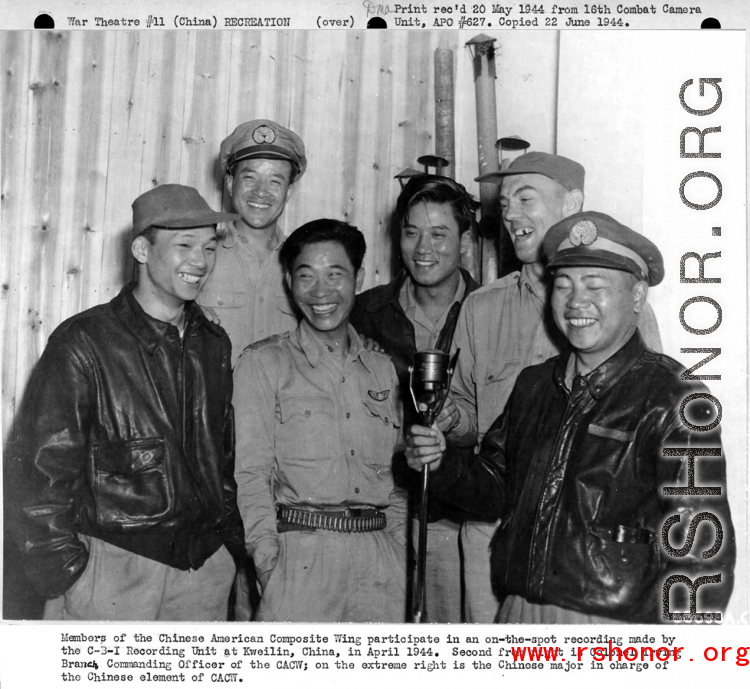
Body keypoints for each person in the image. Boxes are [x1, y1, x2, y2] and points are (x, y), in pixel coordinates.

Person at [406, 210, 735, 623]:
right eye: (563, 286)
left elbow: (702, 551)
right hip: (519, 614)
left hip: (615, 629)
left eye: (594, 285)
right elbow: (494, 486)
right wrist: (441, 464)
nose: (576, 302)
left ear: (636, 297)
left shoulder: (676, 397)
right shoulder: (534, 385)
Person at [4, 185, 245, 621]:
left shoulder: (214, 344)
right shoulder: (84, 343)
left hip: (203, 573)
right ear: (141, 249)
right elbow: (38, 476)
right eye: (184, 245)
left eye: (210, 247)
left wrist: (228, 549)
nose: (200, 261)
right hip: (112, 572)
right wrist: (71, 574)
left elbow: (222, 458)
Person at [446, 151, 663, 622]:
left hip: (585, 546)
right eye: (504, 203)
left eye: (526, 198)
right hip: (492, 532)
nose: (509, 214)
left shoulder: (626, 307)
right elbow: (466, 419)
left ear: (573, 205)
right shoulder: (481, 308)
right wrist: (445, 420)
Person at [233, 219, 407, 622]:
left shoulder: (382, 369)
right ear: (289, 283)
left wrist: (398, 549)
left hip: (380, 561)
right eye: (305, 276)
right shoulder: (263, 364)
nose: (321, 292)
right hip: (300, 558)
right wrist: (266, 561)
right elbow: (251, 473)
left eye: (336, 275)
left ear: (358, 279)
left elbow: (397, 478)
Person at [350, 175, 479, 622]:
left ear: (465, 242)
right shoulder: (365, 312)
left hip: (453, 514)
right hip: (378, 510)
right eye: (411, 232)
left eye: (440, 233)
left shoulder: (490, 309)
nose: (423, 247)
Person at [199, 118, 306, 365]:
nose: (261, 191)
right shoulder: (200, 253)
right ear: (229, 183)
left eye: (275, 181)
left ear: (288, 193)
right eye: (250, 178)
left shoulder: (302, 262)